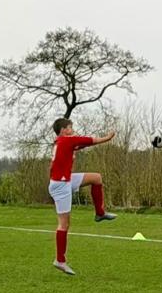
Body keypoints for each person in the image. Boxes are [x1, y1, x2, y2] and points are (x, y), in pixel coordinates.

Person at [48, 117, 117, 276]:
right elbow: (90, 140)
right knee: (64, 225)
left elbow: (81, 144)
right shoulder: (66, 140)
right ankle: (60, 260)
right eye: (71, 127)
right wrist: (107, 137)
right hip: (61, 185)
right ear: (64, 129)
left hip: (65, 180)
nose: (73, 130)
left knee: (96, 178)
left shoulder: (61, 142)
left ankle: (100, 214)